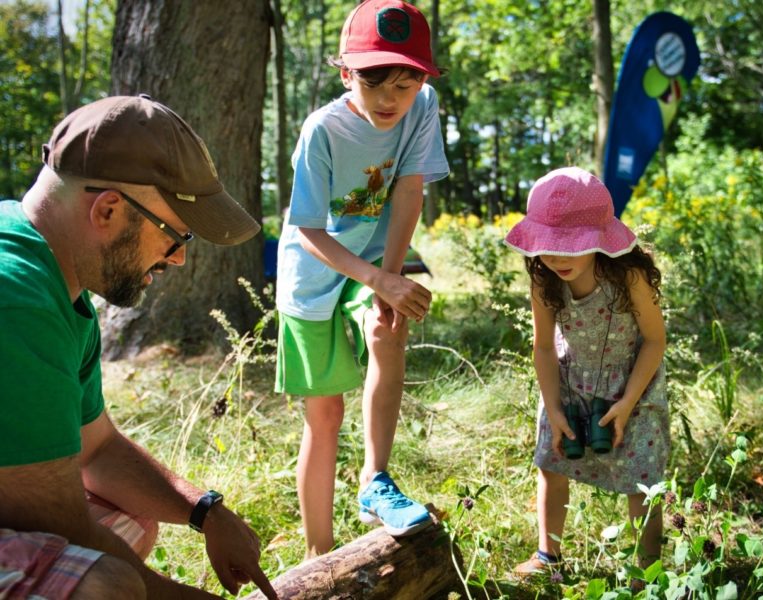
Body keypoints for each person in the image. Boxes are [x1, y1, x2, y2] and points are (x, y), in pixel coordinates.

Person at [0, 95, 278, 600]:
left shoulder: (55, 279)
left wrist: (206, 513)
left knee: (133, 521)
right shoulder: (16, 298)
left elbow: (97, 448)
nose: (178, 260)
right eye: (177, 236)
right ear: (107, 210)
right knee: (109, 587)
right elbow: (56, 521)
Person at [275, 0, 448, 557]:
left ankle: (375, 481)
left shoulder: (423, 107)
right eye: (376, 84)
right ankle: (318, 559)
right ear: (346, 73)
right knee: (325, 415)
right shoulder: (321, 131)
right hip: (314, 271)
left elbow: (409, 189)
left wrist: (388, 282)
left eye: (406, 83)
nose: (391, 99)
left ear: (422, 78)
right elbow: (307, 231)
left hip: (376, 260)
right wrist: (378, 277)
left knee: (387, 329)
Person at [503, 167, 669, 576]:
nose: (556, 257)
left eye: (569, 246)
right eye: (546, 245)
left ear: (599, 241)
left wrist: (629, 403)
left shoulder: (628, 277)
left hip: (634, 387)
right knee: (552, 463)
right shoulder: (545, 279)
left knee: (641, 481)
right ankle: (549, 557)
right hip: (570, 383)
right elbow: (542, 346)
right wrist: (553, 408)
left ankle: (648, 569)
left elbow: (654, 340)